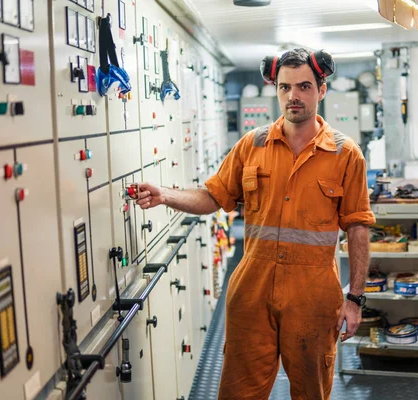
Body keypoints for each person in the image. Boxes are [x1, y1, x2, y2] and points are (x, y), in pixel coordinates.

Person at [135, 48, 375, 400]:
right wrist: (166, 195)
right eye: (285, 87)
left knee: (312, 391)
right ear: (275, 89)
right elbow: (213, 196)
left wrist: (354, 299)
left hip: (313, 294)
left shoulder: (345, 153)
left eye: (304, 86)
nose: (293, 96)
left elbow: (358, 228)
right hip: (252, 290)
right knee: (239, 391)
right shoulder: (253, 145)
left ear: (322, 90)